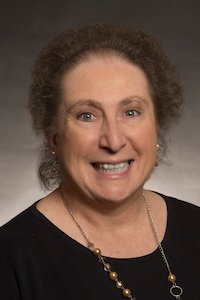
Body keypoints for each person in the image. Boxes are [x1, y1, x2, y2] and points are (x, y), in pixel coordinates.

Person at [0, 23, 199, 300]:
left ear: (156, 127)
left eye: (130, 112)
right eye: (87, 115)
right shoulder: (9, 262)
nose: (113, 141)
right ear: (54, 138)